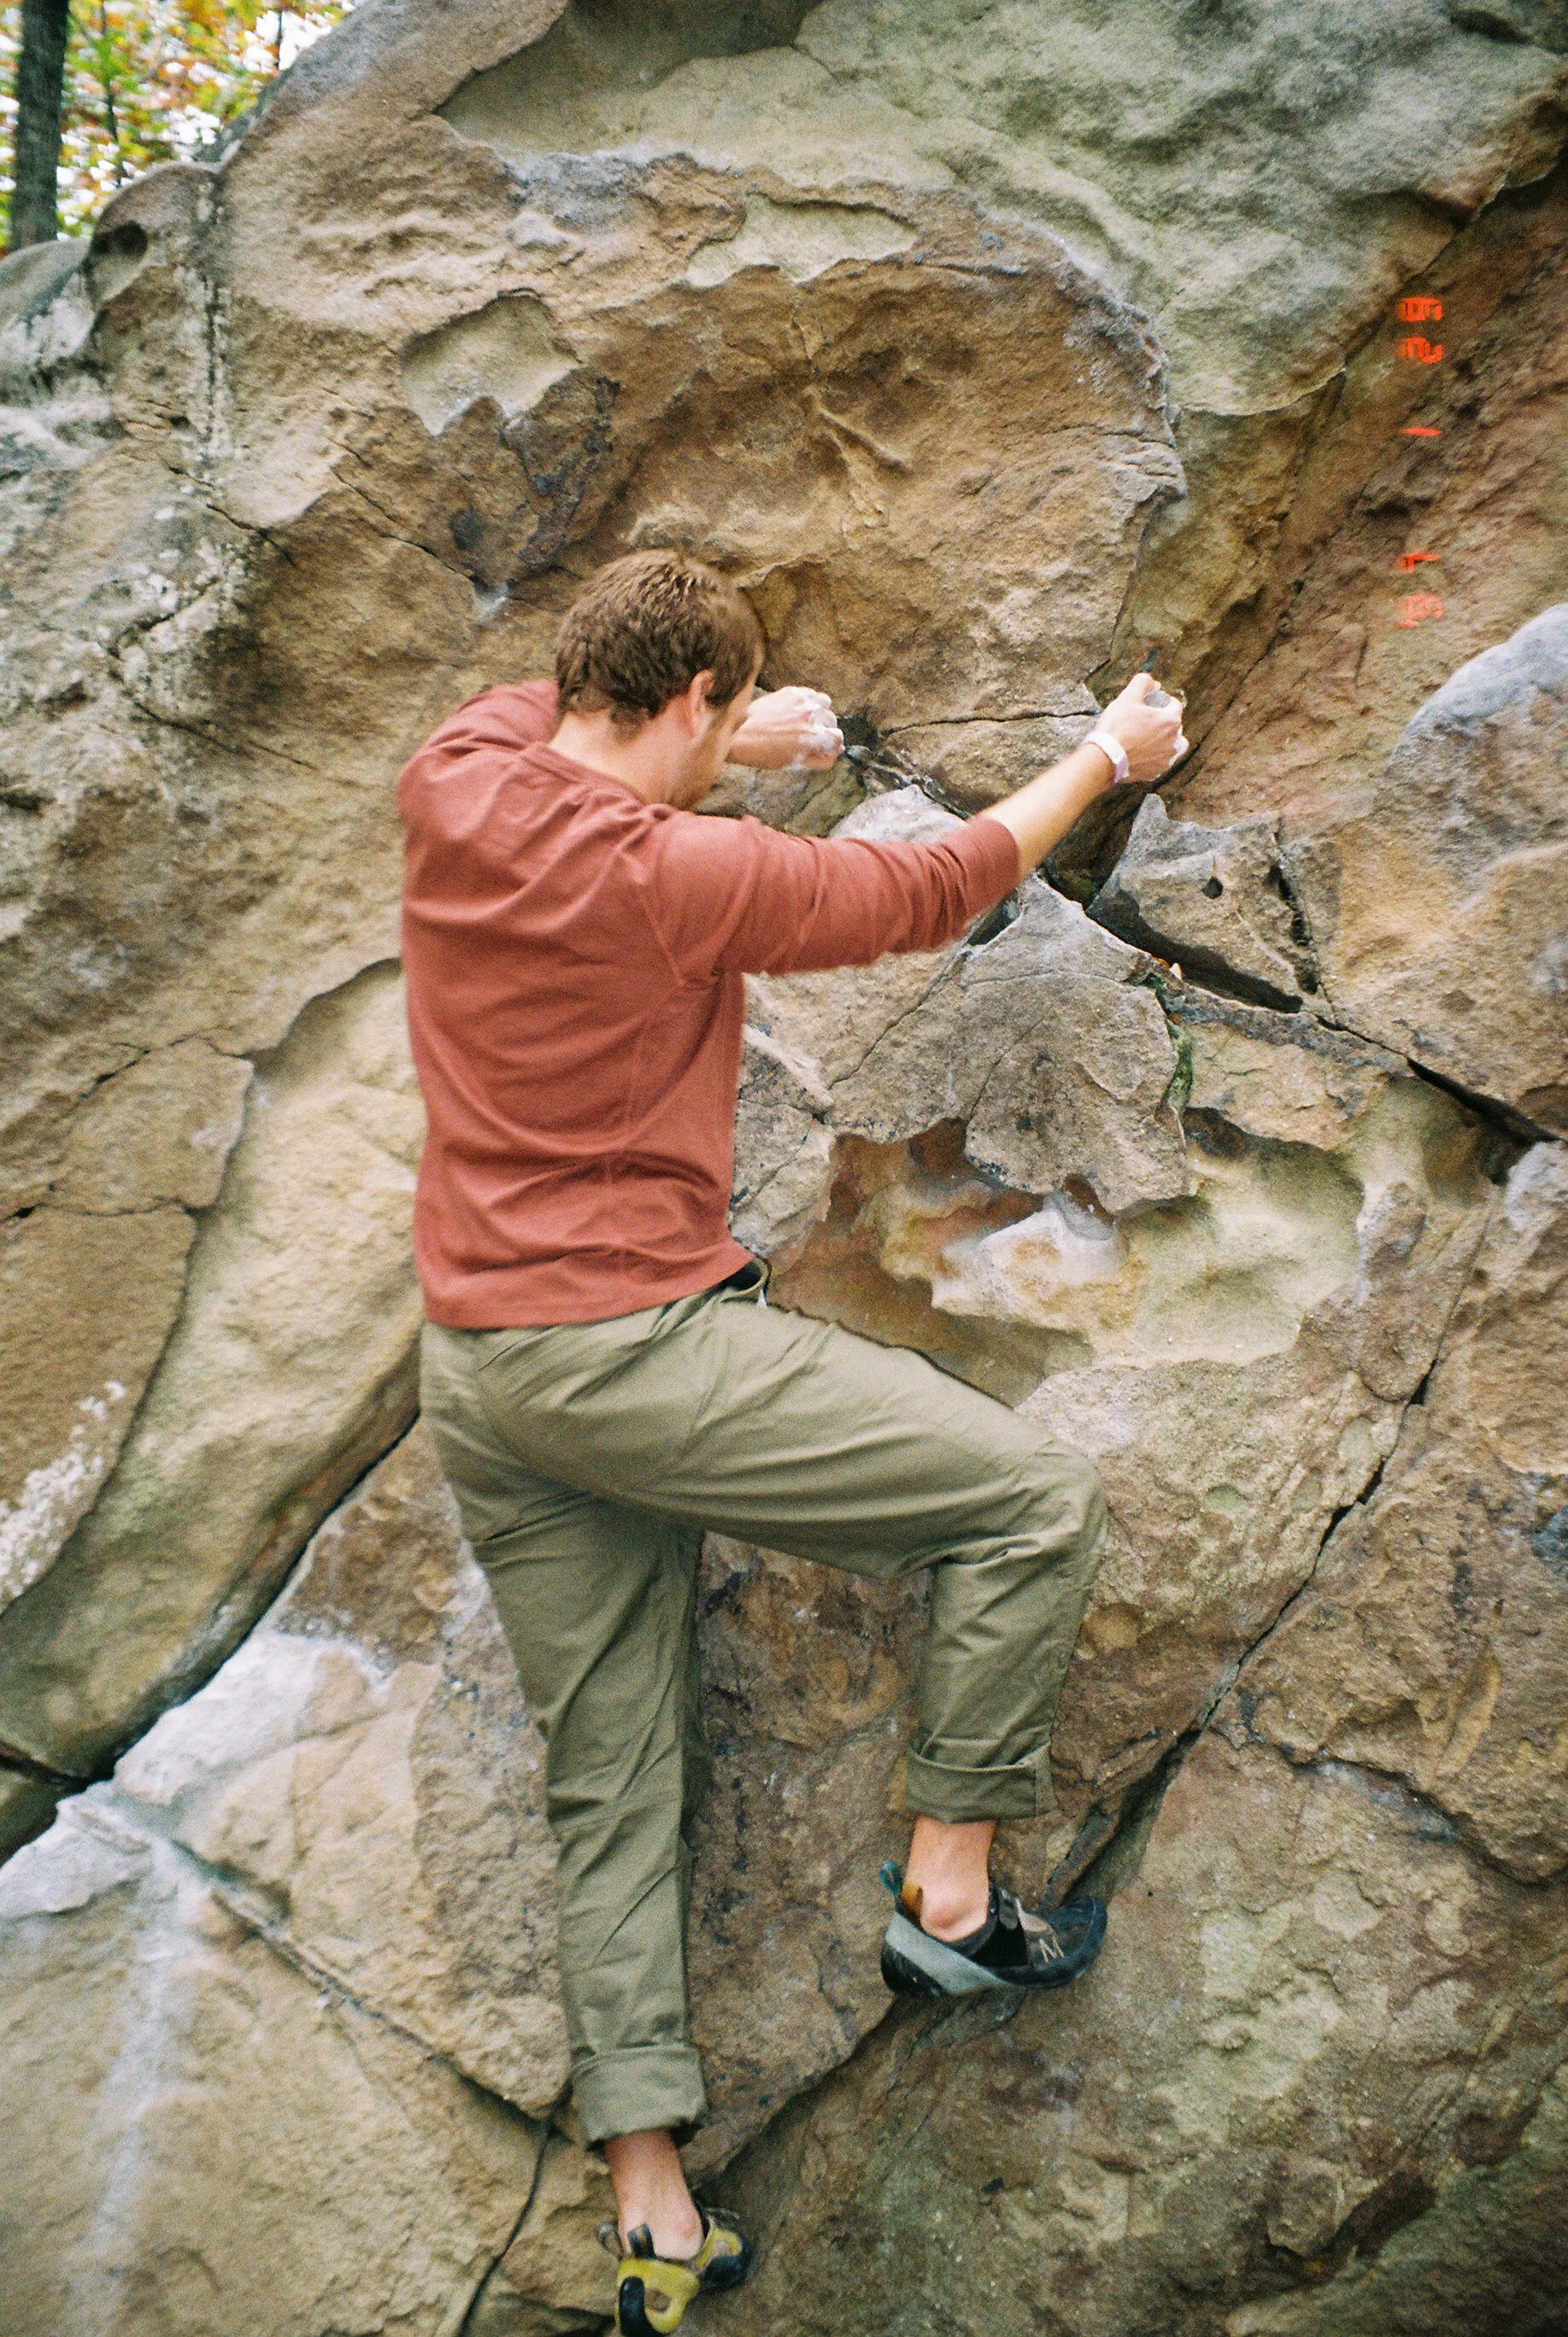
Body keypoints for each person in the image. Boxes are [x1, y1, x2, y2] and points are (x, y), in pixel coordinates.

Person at [397, 550, 1186, 2336]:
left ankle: (652, 2211)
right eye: (717, 714)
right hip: (625, 1355)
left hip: (483, 1377)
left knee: (613, 1777)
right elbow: (933, 881)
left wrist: (727, 736)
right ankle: (952, 1888)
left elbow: (568, 729)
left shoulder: (457, 775)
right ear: (687, 705)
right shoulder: (681, 873)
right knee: (1027, 1504)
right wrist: (1103, 758)